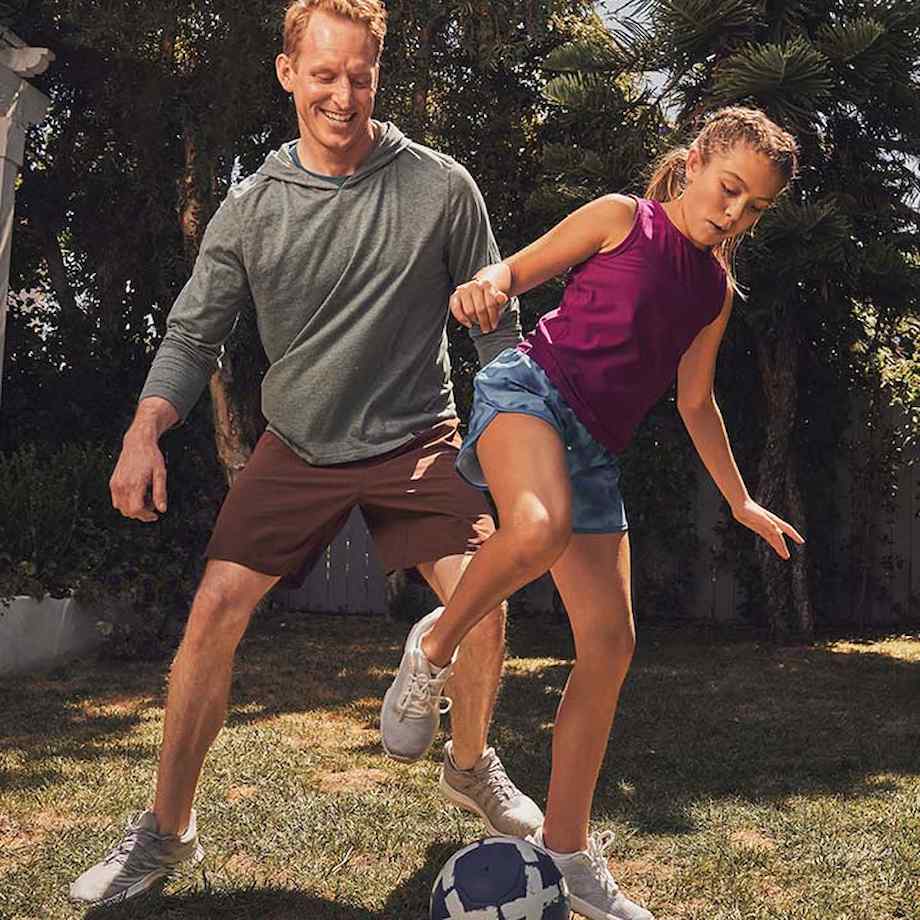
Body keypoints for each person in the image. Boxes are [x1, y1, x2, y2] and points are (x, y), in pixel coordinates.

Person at [70, 0, 543, 906]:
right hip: (299, 444)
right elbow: (191, 337)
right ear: (288, 73)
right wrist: (143, 432)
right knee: (212, 615)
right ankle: (167, 833)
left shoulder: (442, 188)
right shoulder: (251, 211)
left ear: (378, 75)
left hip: (417, 437)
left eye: (359, 76)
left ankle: (472, 760)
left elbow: (501, 338)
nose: (342, 94)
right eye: (323, 74)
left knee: (485, 590)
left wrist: (519, 429)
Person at [381, 106, 805, 920]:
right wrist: (487, 284)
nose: (734, 213)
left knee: (611, 645)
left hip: (594, 451)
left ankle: (568, 852)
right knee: (534, 529)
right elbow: (516, 271)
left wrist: (741, 498)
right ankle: (433, 649)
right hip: (528, 394)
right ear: (693, 164)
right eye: (728, 189)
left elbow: (695, 400)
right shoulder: (623, 219)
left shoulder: (713, 291)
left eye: (754, 207)